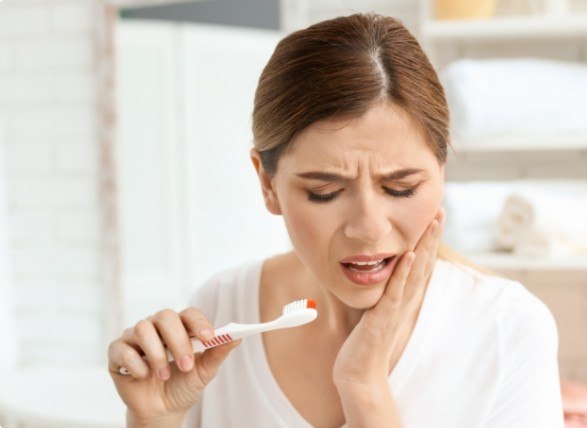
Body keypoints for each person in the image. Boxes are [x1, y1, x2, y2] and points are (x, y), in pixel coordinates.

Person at [108, 13, 564, 428]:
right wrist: (155, 419)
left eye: (401, 188)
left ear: (441, 171)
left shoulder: (506, 328)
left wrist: (364, 388)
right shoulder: (223, 310)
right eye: (324, 192)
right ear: (267, 184)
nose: (367, 226)